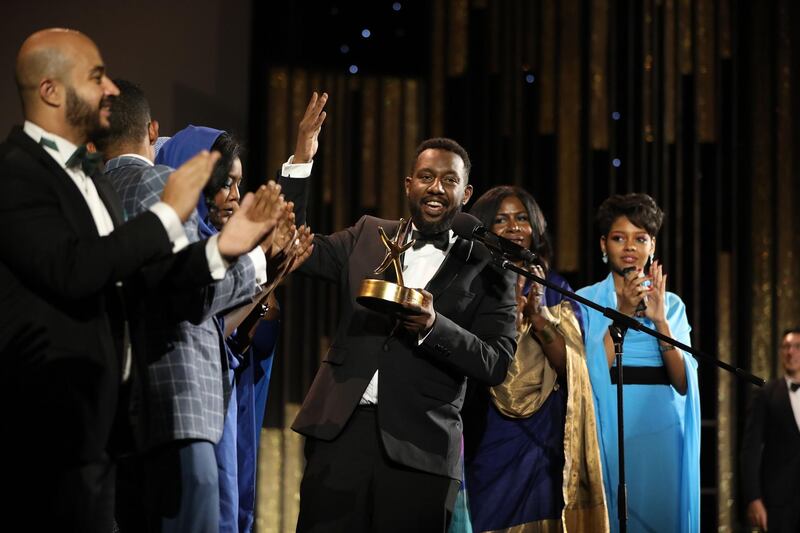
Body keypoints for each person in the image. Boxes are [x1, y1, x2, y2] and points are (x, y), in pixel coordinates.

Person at [0, 28, 274, 532]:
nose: (110, 90)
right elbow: (75, 271)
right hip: (50, 426)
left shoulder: (94, 180)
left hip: (111, 430)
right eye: (96, 76)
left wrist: (224, 248)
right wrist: (168, 213)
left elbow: (146, 282)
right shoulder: (16, 174)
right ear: (51, 91)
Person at [290, 137, 518, 532]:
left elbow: (496, 362)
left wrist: (434, 327)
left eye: (449, 180)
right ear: (408, 184)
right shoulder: (367, 234)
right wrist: (301, 161)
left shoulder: (491, 268)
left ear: (465, 194)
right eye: (427, 177)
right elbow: (296, 248)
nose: (435, 187)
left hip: (422, 448)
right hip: (341, 433)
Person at [97, 80, 287, 533]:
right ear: (153, 130)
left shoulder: (86, 191)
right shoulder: (158, 185)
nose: (233, 193)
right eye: (227, 182)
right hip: (178, 409)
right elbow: (192, 295)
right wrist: (256, 261)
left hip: (117, 418)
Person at [152, 95, 323, 532]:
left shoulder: (236, 244)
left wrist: (274, 273)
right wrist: (265, 270)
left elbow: (283, 231)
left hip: (234, 407)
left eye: (238, 184)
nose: (234, 197)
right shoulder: (181, 248)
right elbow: (206, 321)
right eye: (225, 183)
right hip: (186, 413)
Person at [460, 186, 608, 532]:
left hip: (541, 437)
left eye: (522, 218)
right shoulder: (469, 286)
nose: (514, 227)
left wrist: (540, 318)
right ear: (484, 228)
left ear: (535, 227)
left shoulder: (555, 288)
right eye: (501, 219)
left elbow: (570, 369)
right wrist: (505, 313)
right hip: (485, 428)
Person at [576, 193, 700, 532]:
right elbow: (584, 374)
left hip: (661, 431)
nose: (629, 246)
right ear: (604, 245)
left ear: (653, 246)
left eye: (640, 238)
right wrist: (623, 313)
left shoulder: (672, 305)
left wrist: (661, 323)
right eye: (619, 237)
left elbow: (683, 383)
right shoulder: (584, 301)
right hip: (609, 429)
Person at [740, 328, 800, 533]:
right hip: (777, 501)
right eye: (786, 347)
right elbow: (751, 450)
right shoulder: (766, 394)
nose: (790, 352)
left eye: (797, 346)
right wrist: (754, 498)